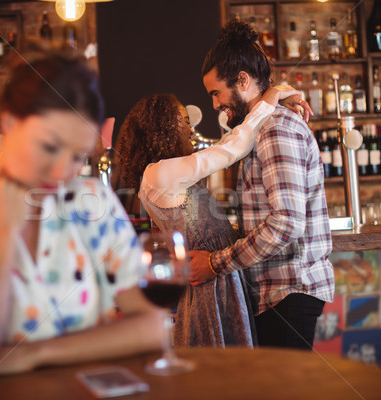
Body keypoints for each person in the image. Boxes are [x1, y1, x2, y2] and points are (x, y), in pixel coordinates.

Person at [0, 51, 166, 383]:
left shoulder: (91, 201)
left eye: (78, 156)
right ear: (10, 122)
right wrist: (2, 232)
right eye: (49, 146)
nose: (62, 171)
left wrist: (34, 354)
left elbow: (152, 327)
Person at [117, 86, 307, 347]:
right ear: (163, 127)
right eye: (184, 121)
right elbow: (231, 149)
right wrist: (270, 98)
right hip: (212, 282)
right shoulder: (159, 173)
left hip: (217, 275)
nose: (191, 129)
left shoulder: (164, 173)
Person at [189, 19, 334, 350]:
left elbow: (285, 224)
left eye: (216, 92)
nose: (215, 104)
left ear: (242, 80)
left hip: (289, 291)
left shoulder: (276, 128)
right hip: (279, 292)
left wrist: (215, 265)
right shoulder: (261, 127)